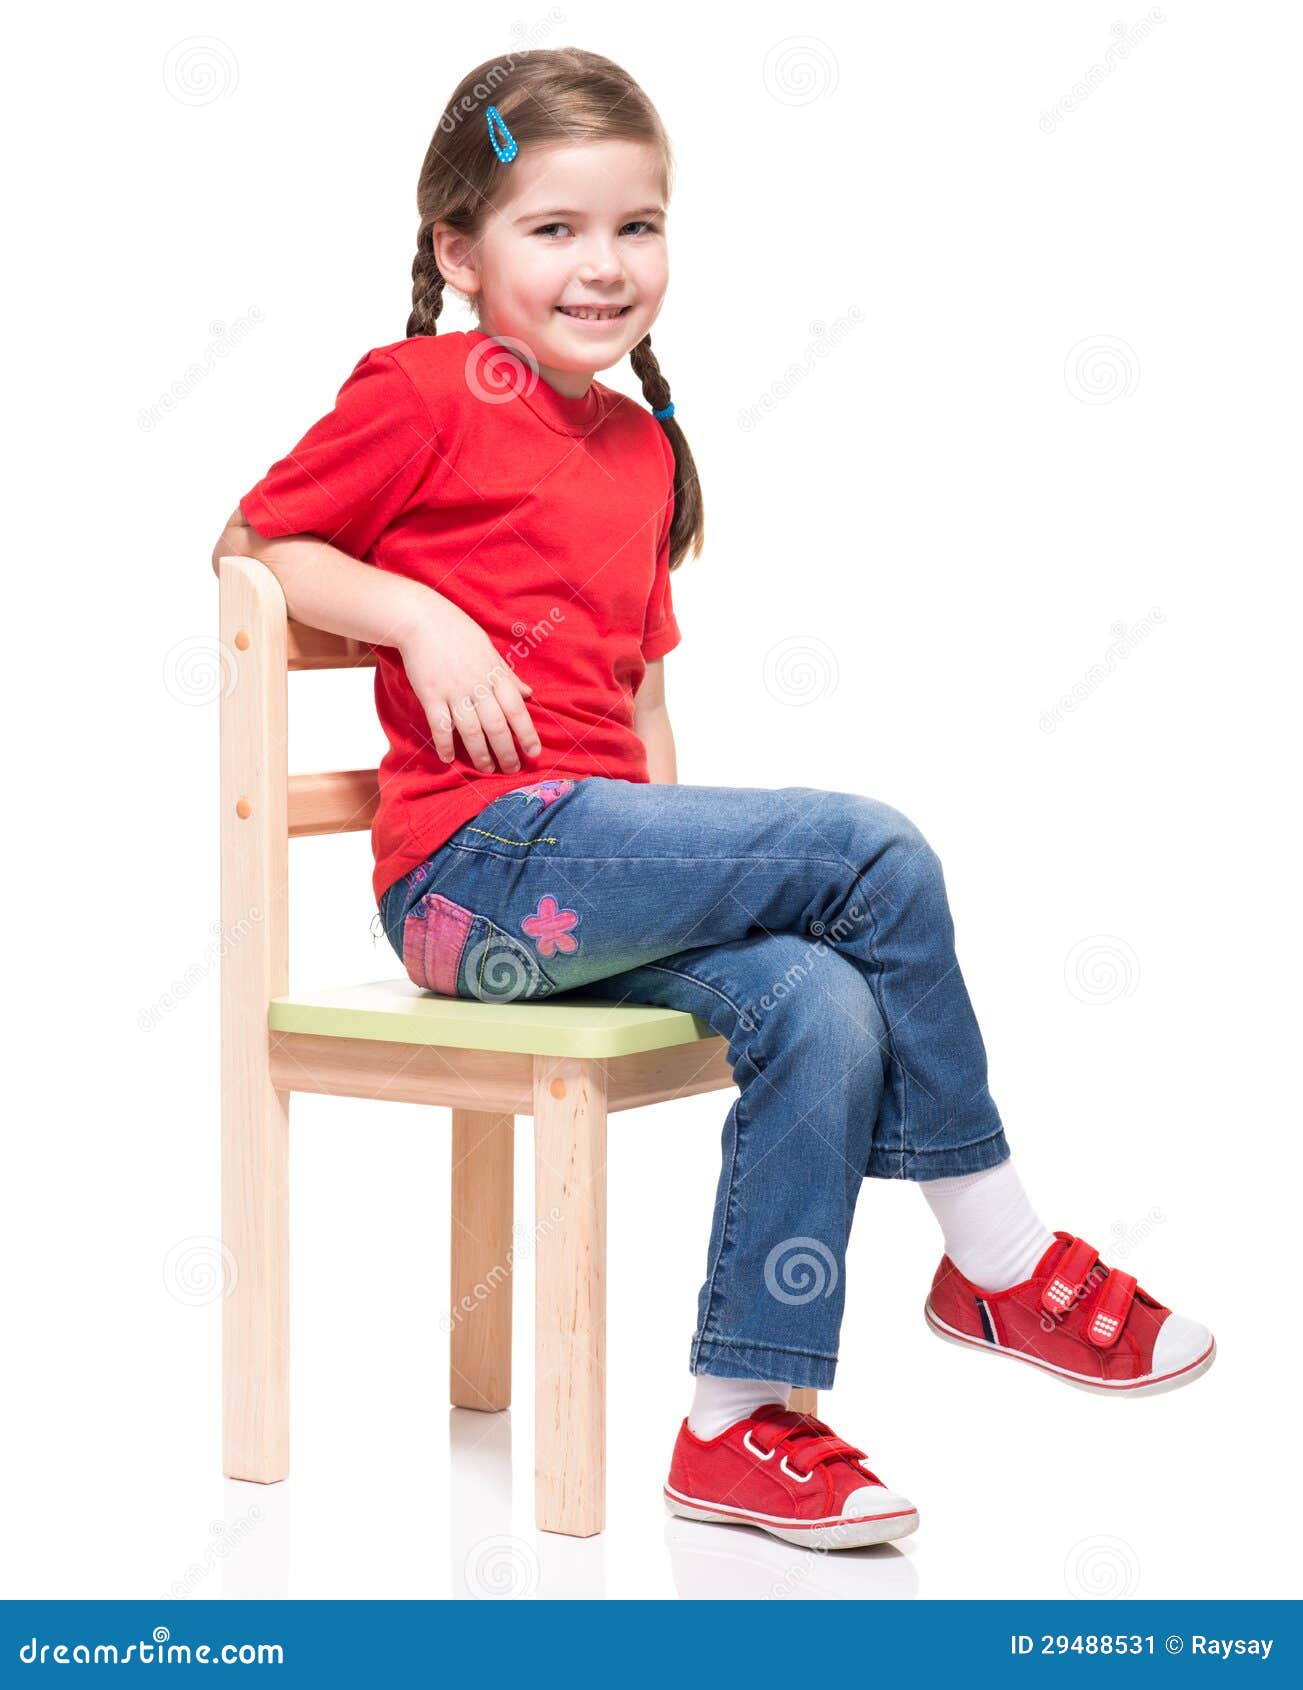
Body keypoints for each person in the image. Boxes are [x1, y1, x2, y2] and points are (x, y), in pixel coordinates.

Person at [214, 47, 1214, 1552]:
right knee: (870, 846)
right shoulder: (420, 391)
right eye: (553, 229)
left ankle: (738, 1418)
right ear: (458, 252)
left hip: (598, 872)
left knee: (824, 993)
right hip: (474, 878)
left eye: (638, 225)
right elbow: (252, 544)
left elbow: (639, 704)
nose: (603, 265)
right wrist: (419, 614)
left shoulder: (641, 449)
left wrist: (704, 884)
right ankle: (994, 1254)